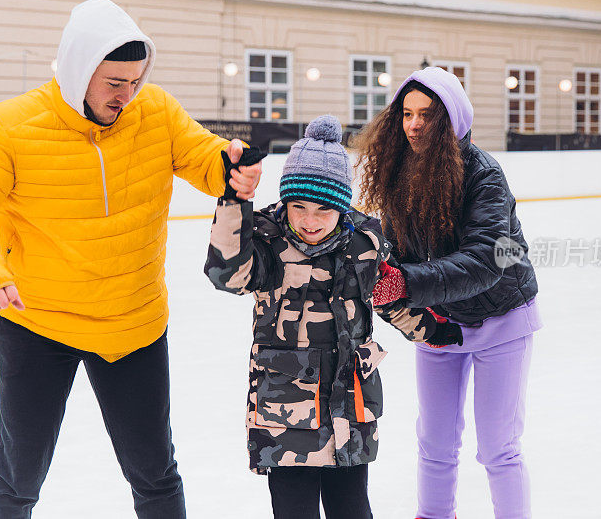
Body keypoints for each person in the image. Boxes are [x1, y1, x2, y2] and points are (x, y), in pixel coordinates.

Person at [0, 0, 261, 519]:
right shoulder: (11, 128)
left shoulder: (156, 111)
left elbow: (202, 157)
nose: (127, 95)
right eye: (113, 83)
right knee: (17, 476)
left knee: (155, 474)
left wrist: (230, 168)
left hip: (133, 323)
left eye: (135, 81)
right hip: (38, 325)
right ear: (79, 72)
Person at [204, 115, 461, 519]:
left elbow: (391, 299)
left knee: (352, 507)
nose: (309, 221)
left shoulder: (365, 243)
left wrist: (434, 328)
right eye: (299, 207)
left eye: (324, 210)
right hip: (285, 408)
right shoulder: (268, 238)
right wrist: (235, 202)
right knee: (294, 509)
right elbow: (227, 274)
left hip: (350, 401)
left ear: (342, 207)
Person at [354, 67, 543, 519]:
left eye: (427, 115)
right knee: (435, 441)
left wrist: (409, 283)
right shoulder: (397, 176)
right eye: (407, 114)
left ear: (451, 120)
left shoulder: (485, 177)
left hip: (501, 320)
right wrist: (385, 284)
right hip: (439, 325)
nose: (414, 124)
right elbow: (395, 258)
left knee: (499, 446)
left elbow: (488, 259)